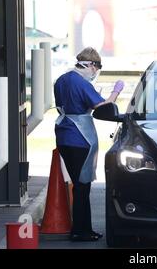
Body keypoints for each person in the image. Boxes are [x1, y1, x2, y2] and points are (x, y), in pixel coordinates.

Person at [54, 47, 124, 242]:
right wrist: (116, 92)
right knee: (82, 187)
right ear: (92, 65)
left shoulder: (62, 79)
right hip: (80, 137)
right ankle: (80, 231)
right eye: (97, 67)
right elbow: (102, 106)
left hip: (63, 135)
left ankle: (83, 229)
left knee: (78, 185)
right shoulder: (80, 82)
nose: (96, 72)